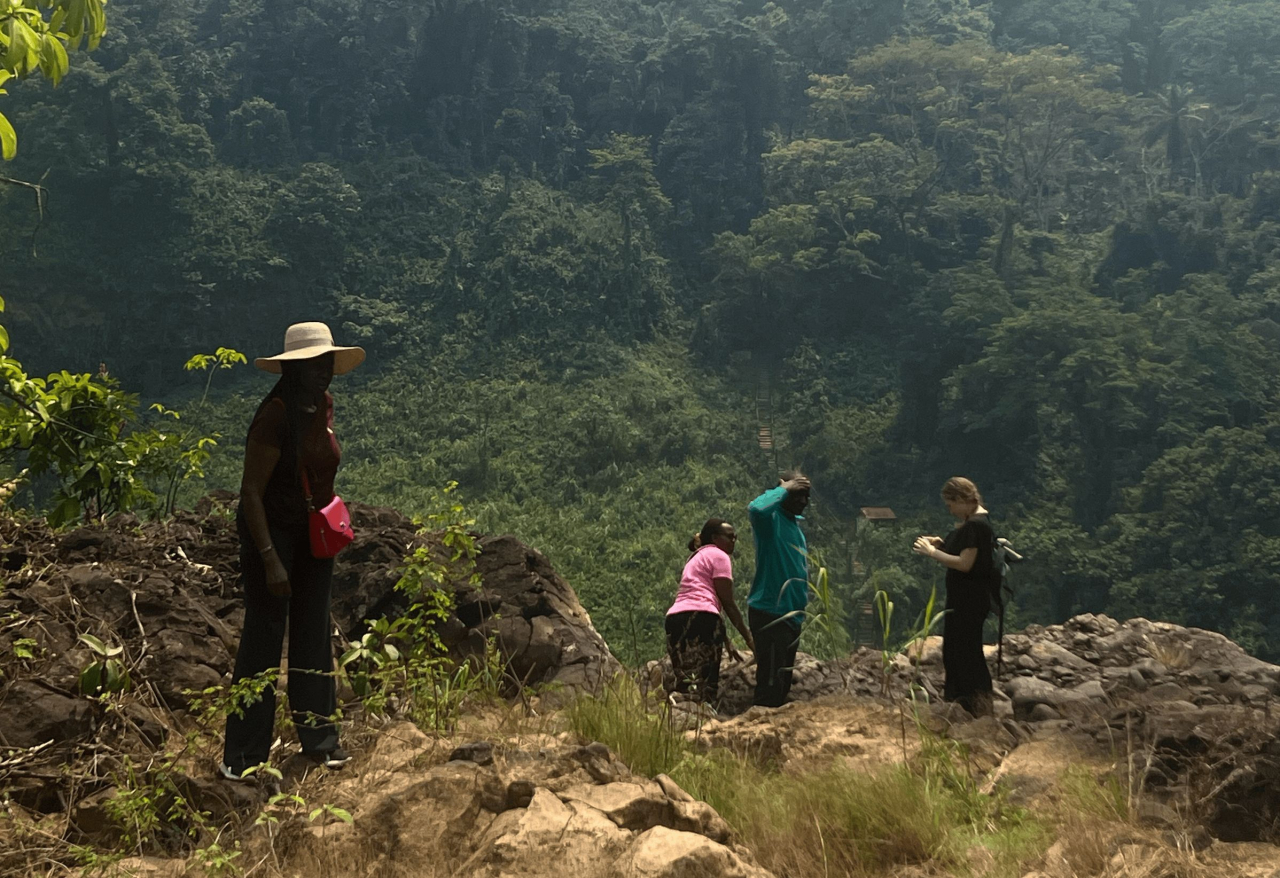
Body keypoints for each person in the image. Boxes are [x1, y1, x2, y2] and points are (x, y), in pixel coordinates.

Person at [221, 322, 366, 781]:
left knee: (313, 635)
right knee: (262, 643)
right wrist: (269, 558)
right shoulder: (276, 415)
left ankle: (321, 742)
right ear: (292, 369)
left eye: (326, 362)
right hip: (273, 535)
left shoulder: (318, 406)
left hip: (311, 535)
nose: (322, 371)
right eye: (312, 364)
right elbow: (250, 493)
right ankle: (242, 758)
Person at [912, 476, 996, 717]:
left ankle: (969, 703)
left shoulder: (976, 525)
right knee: (960, 650)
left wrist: (932, 553)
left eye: (951, 505)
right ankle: (969, 703)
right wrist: (940, 543)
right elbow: (965, 549)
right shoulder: (978, 521)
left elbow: (965, 563)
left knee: (964, 653)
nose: (951, 511)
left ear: (961, 500)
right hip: (970, 600)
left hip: (968, 602)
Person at [665, 519, 754, 706]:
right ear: (715, 538)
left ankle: (681, 721)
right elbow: (727, 603)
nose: (734, 540)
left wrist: (725, 639)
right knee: (707, 686)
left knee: (686, 683)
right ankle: (706, 720)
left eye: (735, 537)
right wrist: (749, 640)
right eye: (729, 536)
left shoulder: (695, 557)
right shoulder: (720, 556)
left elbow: (702, 601)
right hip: (704, 619)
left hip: (674, 619)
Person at [747, 472, 811, 707]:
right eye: (797, 494)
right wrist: (786, 487)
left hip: (791, 617)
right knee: (771, 685)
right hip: (771, 613)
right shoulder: (770, 523)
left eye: (806, 496)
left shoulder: (796, 529)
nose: (803, 501)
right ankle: (756, 736)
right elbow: (755, 508)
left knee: (782, 684)